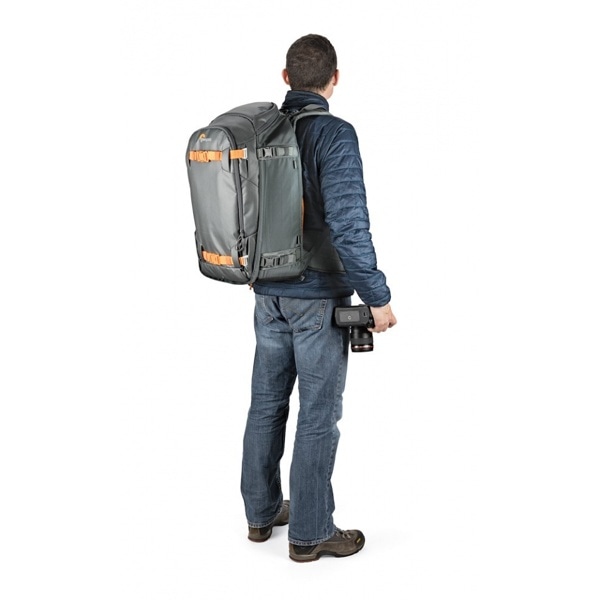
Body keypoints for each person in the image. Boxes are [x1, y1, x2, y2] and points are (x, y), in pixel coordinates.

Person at [241, 33, 397, 563]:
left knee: (266, 405)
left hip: (267, 294)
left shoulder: (261, 132)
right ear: (334, 79)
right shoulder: (334, 134)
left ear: (286, 78)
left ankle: (261, 514)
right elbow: (350, 225)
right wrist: (377, 298)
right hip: (318, 300)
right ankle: (309, 534)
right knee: (318, 414)